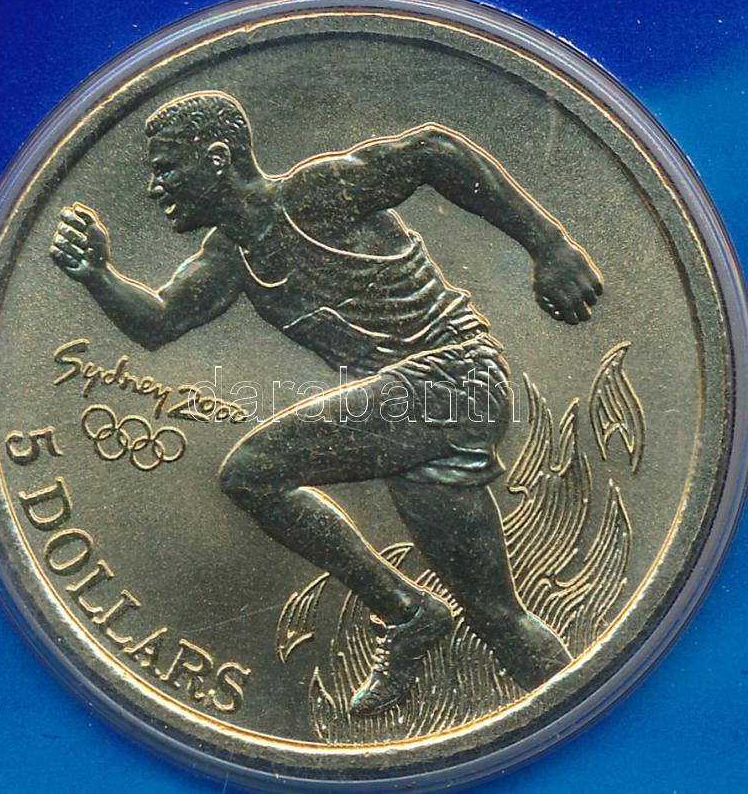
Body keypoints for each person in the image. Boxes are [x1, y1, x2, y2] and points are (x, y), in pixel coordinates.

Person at [50, 91, 603, 715]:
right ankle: (576, 715)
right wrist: (97, 275)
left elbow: (434, 150)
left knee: (251, 472)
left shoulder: (313, 195)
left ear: (217, 158)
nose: (155, 188)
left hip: (455, 378)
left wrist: (551, 245)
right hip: (419, 421)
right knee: (496, 615)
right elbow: (158, 321)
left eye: (166, 169)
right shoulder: (230, 258)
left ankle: (406, 610)